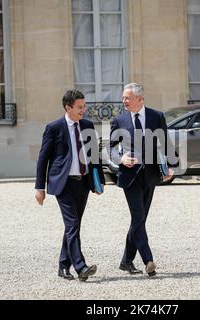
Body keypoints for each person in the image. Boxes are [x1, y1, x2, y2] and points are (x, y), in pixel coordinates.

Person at [35, 89, 105, 282]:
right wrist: (39, 187)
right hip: (63, 183)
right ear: (68, 107)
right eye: (80, 107)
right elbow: (43, 159)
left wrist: (99, 182)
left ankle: (63, 265)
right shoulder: (54, 127)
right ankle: (80, 266)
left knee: (73, 226)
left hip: (83, 183)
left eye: (84, 106)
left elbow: (94, 157)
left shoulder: (88, 125)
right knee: (72, 224)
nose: (84, 110)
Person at [109, 83, 174, 277]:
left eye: (127, 98)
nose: (124, 101)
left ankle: (126, 261)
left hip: (151, 174)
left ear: (140, 99)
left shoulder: (156, 116)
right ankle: (148, 260)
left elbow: (166, 142)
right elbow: (110, 148)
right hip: (129, 177)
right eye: (123, 98)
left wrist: (171, 165)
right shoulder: (119, 120)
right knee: (138, 217)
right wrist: (120, 159)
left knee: (140, 219)